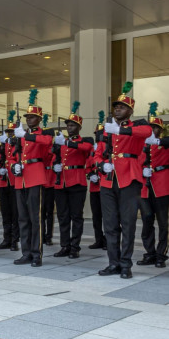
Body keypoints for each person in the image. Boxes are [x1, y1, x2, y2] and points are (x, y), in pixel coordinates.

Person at [94, 82, 151, 279]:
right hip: (108, 181)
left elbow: (148, 133)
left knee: (127, 223)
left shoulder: (137, 126)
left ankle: (126, 264)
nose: (118, 109)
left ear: (130, 110)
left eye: (122, 106)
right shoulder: (107, 129)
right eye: (116, 106)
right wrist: (101, 165)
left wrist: (121, 131)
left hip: (129, 179)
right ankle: (113, 263)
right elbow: (98, 154)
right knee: (109, 224)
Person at [12, 89, 53, 267]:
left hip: (35, 176)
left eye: (32, 117)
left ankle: (37, 254)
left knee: (35, 218)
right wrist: (15, 165)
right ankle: (26, 252)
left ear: (39, 119)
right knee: (22, 218)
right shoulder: (21, 136)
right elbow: (14, 155)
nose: (29, 119)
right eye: (27, 117)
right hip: (21, 177)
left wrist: (25, 135)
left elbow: (46, 143)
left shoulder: (43, 134)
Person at [52, 104, 93, 259]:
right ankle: (65, 246)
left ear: (79, 127)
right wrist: (54, 165)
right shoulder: (61, 142)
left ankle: (75, 247)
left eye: (72, 125)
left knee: (76, 216)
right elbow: (53, 157)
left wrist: (66, 143)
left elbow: (86, 148)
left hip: (77, 181)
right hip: (61, 181)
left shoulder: (84, 140)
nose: (69, 128)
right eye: (68, 125)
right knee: (63, 216)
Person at [137, 109, 169, 268]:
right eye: (151, 127)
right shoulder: (141, 146)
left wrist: (157, 142)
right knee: (147, 222)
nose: (153, 130)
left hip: (161, 188)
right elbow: (136, 162)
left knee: (163, 223)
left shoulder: (164, 144)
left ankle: (161, 254)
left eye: (156, 127)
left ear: (160, 130)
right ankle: (149, 253)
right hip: (145, 189)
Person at [0, 111, 19, 251]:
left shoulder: (17, 145)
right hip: (4, 183)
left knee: (16, 213)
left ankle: (15, 240)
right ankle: (6, 239)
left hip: (15, 182)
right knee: (5, 213)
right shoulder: (1, 147)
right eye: (8, 132)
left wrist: (8, 165)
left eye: (12, 132)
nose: (10, 134)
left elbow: (17, 160)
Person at [87, 112, 107, 250]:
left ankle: (107, 240)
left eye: (99, 132)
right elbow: (87, 165)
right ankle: (98, 239)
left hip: (105, 186)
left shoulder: (107, 147)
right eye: (96, 133)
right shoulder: (92, 149)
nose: (97, 135)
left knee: (108, 216)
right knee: (96, 217)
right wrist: (89, 174)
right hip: (94, 187)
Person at [41, 114, 55, 246]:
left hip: (51, 183)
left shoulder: (54, 148)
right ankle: (42, 234)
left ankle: (49, 236)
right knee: (41, 212)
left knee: (49, 212)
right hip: (42, 181)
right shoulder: (43, 147)